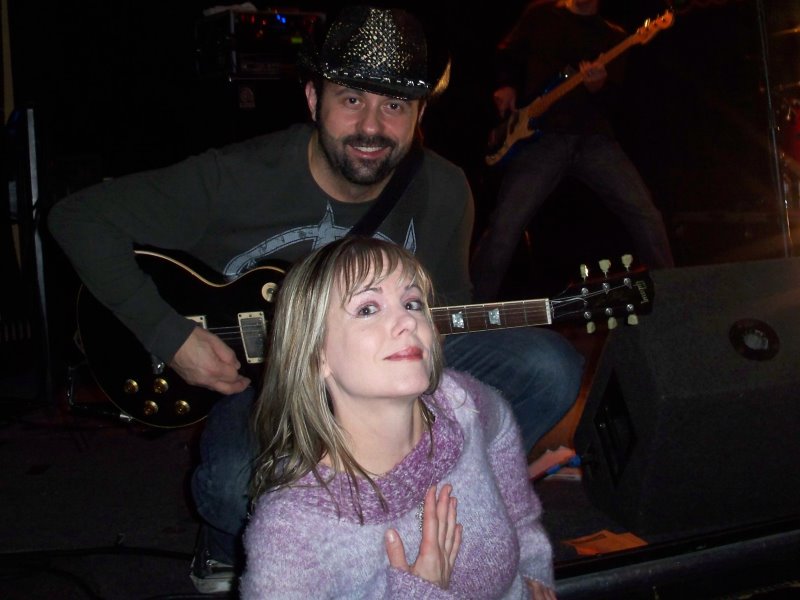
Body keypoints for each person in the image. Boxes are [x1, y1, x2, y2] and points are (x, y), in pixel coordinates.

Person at [47, 5, 583, 593]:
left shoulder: (444, 190)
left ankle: (435, 498)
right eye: (351, 98)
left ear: (420, 114)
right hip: (260, 383)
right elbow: (79, 218)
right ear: (312, 99)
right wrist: (169, 336)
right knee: (231, 487)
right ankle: (226, 547)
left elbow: (447, 314)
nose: (372, 126)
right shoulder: (237, 177)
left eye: (395, 105)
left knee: (549, 366)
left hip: (371, 371)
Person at [241, 235, 556, 599]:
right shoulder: (291, 530)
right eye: (367, 309)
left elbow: (499, 429)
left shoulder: (457, 403)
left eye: (412, 303)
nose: (407, 320)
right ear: (316, 356)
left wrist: (531, 557)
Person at [470, 0, 675, 302]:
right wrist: (506, 85)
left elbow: (616, 104)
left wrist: (599, 88)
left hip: (594, 139)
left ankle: (673, 296)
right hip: (542, 138)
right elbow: (508, 53)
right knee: (505, 224)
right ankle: (470, 308)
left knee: (646, 214)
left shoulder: (615, 37)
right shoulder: (541, 14)